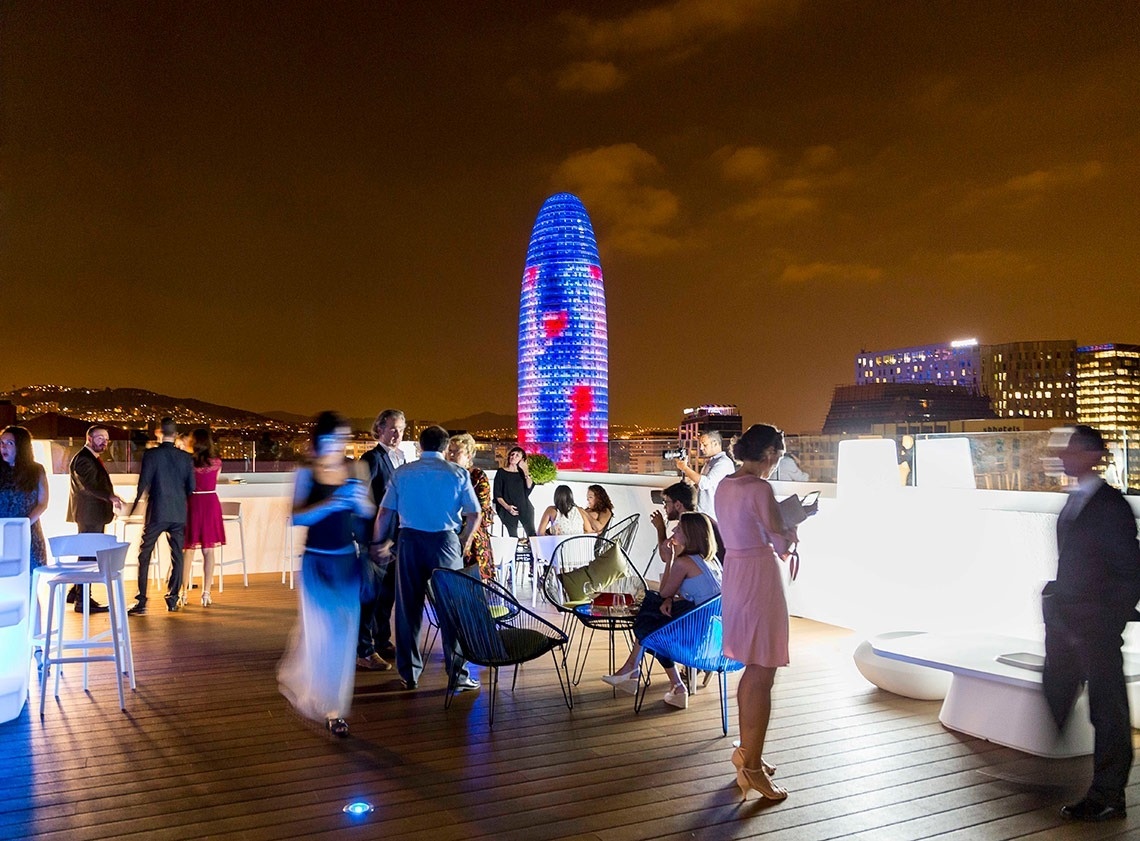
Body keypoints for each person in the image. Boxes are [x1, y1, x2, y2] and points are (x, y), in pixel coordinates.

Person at [1042, 425, 1140, 822]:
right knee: (1061, 688)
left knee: (1107, 709)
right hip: (1071, 621)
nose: (1061, 455)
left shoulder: (1109, 505)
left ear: (1090, 454)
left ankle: (1108, 794)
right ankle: (1049, 772)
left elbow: (1130, 570)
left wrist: (1107, 621)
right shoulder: (1077, 500)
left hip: (1095, 624)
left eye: (1068, 449)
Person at [714, 423, 798, 802]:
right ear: (768, 454)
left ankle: (749, 755)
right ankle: (751, 765)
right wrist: (795, 522)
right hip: (760, 576)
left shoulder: (724, 486)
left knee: (752, 667)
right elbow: (780, 540)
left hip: (735, 574)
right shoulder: (761, 488)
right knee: (762, 672)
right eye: (777, 457)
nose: (775, 465)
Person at [278, 412, 374, 738]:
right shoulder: (306, 472)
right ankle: (328, 706)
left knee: (345, 634)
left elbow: (368, 512)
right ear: (320, 440)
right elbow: (295, 518)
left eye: (343, 438)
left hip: (348, 563)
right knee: (323, 634)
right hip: (317, 563)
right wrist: (333, 502)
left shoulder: (356, 468)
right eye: (332, 438)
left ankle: (334, 706)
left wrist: (360, 503)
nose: (338, 445)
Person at [373, 425, 481, 692]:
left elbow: (385, 513)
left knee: (408, 608)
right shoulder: (458, 474)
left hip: (409, 540)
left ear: (420, 446)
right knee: (452, 609)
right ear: (445, 448)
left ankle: (409, 674)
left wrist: (379, 543)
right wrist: (464, 542)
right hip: (445, 542)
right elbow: (474, 514)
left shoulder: (403, 473)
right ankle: (457, 673)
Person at [601, 512, 722, 709]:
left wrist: (670, 560)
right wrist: (668, 598)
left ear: (690, 535)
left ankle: (634, 669)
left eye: (679, 528)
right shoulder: (710, 561)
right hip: (715, 636)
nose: (674, 530)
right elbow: (686, 596)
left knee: (650, 625)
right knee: (655, 622)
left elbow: (665, 590)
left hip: (697, 640)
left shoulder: (684, 562)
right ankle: (669, 684)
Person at [127, 418, 194, 615]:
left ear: (159, 432)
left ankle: (142, 600)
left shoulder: (151, 455)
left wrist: (133, 507)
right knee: (177, 556)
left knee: (145, 554)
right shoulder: (185, 458)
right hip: (178, 512)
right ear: (175, 434)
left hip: (157, 511)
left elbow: (143, 483)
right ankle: (172, 599)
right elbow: (191, 487)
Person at [356, 409, 406, 672]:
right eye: (392, 428)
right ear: (380, 430)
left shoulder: (401, 459)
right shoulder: (371, 459)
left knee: (387, 595)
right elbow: (360, 499)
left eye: (400, 429)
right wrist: (371, 539)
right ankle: (364, 650)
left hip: (395, 537)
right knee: (369, 596)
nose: (396, 434)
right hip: (376, 540)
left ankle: (382, 641)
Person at [66, 424, 123, 613]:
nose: (104, 442)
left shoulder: (88, 458)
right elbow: (87, 486)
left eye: (106, 439)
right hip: (89, 514)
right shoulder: (84, 459)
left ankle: (76, 592)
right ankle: (82, 599)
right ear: (89, 438)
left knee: (87, 553)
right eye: (100, 438)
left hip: (90, 513)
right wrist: (110, 497)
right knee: (89, 556)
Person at [182, 428, 225, 607]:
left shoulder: (187, 462)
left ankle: (182, 592)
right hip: (211, 503)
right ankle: (206, 593)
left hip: (193, 503)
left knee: (188, 551)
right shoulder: (217, 462)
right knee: (209, 551)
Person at [0, 426, 49, 574]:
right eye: (1, 442)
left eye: (10, 443)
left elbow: (43, 502)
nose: (3, 447)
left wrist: (25, 523)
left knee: (28, 576)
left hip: (28, 529)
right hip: (2, 530)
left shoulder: (36, 470)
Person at [446, 433, 495, 580]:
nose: (452, 455)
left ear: (468, 455)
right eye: (450, 451)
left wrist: (467, 537)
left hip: (473, 537)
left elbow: (481, 509)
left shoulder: (477, 476)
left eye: (457, 451)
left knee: (475, 584)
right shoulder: (445, 476)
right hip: (449, 535)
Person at [650, 481, 726, 566]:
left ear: (678, 505)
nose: (664, 507)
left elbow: (665, 555)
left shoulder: (690, 524)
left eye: (666, 502)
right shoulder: (698, 519)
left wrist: (660, 528)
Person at [675, 430, 734, 522]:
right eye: (701, 445)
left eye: (704, 445)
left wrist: (685, 468)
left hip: (713, 517)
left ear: (715, 443)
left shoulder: (723, 463)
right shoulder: (711, 462)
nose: (701, 448)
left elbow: (705, 483)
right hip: (706, 515)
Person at [492, 446, 535, 537]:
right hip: (507, 508)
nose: (513, 457)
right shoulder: (501, 472)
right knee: (513, 536)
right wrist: (507, 507)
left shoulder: (523, 473)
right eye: (512, 454)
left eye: (517, 455)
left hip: (524, 506)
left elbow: (529, 488)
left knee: (532, 534)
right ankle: (513, 549)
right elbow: (497, 495)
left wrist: (525, 470)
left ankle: (534, 550)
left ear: (522, 459)